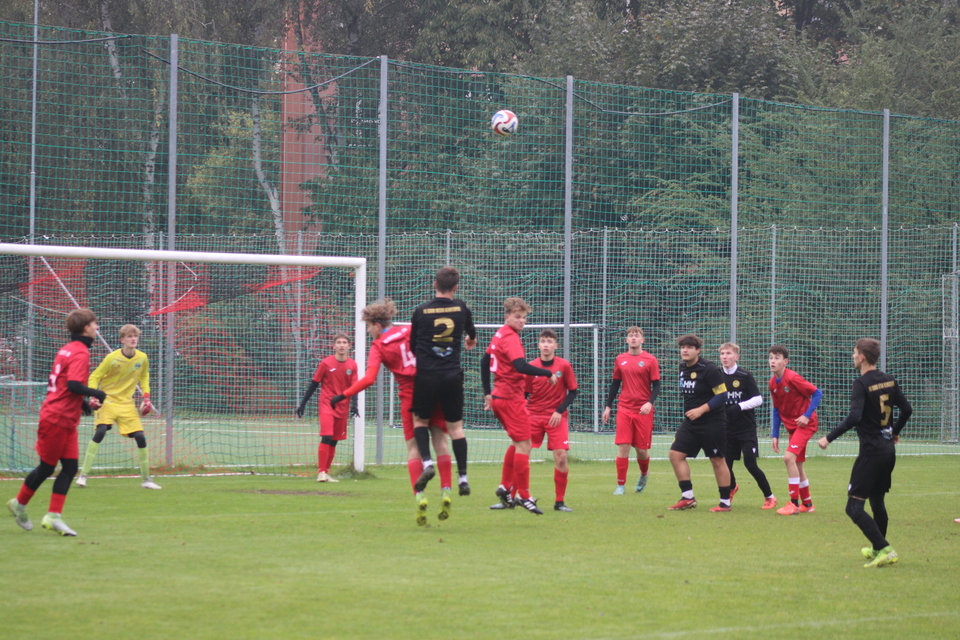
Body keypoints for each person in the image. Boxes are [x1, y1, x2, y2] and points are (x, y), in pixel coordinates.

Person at [329, 299, 452, 526]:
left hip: (411, 396)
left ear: (377, 325)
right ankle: (446, 490)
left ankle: (420, 496)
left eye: (369, 327)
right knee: (441, 441)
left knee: (414, 448)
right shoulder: (410, 329)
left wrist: (343, 395)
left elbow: (369, 379)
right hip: (434, 388)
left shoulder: (379, 346)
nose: (368, 331)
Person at [7, 308, 106, 536]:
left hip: (66, 419)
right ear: (86, 328)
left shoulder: (66, 349)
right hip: (56, 419)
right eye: (94, 323)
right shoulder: (80, 352)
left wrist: (82, 404)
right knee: (47, 467)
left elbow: (63, 385)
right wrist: (98, 394)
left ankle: (53, 516)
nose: (97, 327)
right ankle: (19, 503)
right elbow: (73, 385)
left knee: (70, 468)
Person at [817, 338, 912, 568]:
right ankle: (878, 549)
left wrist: (828, 438)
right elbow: (907, 409)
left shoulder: (861, 383)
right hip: (887, 450)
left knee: (853, 507)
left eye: (854, 353)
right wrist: (895, 432)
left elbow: (854, 417)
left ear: (861, 357)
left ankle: (885, 548)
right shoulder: (889, 379)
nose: (852, 356)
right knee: (877, 502)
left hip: (871, 451)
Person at [482, 297, 559, 515]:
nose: (522, 321)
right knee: (525, 445)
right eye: (517, 317)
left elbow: (484, 361)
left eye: (524, 317)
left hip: (499, 397)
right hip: (510, 399)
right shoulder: (510, 337)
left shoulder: (499, 334)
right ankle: (524, 495)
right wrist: (547, 373)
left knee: (518, 443)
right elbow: (520, 365)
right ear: (507, 317)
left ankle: (505, 486)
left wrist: (487, 392)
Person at [408, 267, 477, 504]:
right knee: (455, 429)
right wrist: (470, 340)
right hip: (452, 375)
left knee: (420, 421)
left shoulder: (421, 310)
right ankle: (463, 478)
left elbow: (412, 345)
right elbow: (471, 333)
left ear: (434, 284)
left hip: (427, 375)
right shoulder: (461, 308)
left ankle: (428, 463)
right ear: (456, 287)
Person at [490, 329, 577, 512]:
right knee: (519, 453)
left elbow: (573, 392)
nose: (546, 345)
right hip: (533, 416)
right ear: (538, 345)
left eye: (549, 341)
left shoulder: (564, 366)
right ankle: (509, 498)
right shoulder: (531, 367)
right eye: (543, 341)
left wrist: (559, 411)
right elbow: (524, 394)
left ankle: (559, 502)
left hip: (556, 418)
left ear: (556, 345)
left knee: (561, 458)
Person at [76, 324, 161, 490]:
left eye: (135, 336)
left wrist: (146, 398)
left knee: (140, 437)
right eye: (129, 336)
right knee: (100, 431)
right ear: (122, 340)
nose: (133, 339)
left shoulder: (142, 358)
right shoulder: (112, 358)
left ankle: (146, 480)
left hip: (126, 404)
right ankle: (83, 475)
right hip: (107, 401)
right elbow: (94, 376)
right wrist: (93, 396)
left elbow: (144, 377)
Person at [667, 334, 733, 512]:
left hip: (712, 422)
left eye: (689, 347)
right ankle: (688, 497)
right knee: (675, 454)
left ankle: (725, 502)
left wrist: (701, 409)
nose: (685, 350)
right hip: (691, 423)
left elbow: (722, 395)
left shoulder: (709, 369)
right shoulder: (683, 367)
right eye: (683, 347)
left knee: (717, 460)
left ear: (698, 350)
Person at [602, 326, 660, 495]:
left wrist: (649, 403)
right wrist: (608, 406)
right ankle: (620, 485)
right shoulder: (620, 359)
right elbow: (615, 384)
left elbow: (656, 385)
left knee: (641, 450)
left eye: (637, 336)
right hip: (624, 409)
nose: (633, 338)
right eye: (631, 336)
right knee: (623, 446)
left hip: (643, 411)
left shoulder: (650, 360)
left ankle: (644, 473)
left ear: (642, 340)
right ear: (626, 340)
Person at [718, 342, 776, 509]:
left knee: (750, 464)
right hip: (726, 428)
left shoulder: (745, 375)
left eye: (728, 354)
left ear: (736, 357)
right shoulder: (717, 375)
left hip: (746, 429)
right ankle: (731, 488)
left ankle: (770, 497)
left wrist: (739, 406)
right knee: (725, 464)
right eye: (722, 354)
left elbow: (758, 399)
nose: (725, 357)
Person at [768, 344, 823, 515]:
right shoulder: (772, 383)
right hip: (793, 427)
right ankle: (808, 504)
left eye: (777, 358)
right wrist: (775, 434)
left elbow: (817, 393)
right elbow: (776, 409)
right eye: (771, 358)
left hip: (806, 424)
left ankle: (793, 503)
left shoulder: (793, 378)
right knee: (797, 464)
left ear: (785, 361)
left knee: (788, 458)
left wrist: (806, 415)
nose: (772, 361)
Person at [296, 333, 358, 482]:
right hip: (327, 404)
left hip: (343, 407)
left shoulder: (352, 365)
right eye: (339, 342)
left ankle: (326, 472)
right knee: (327, 435)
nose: (342, 345)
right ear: (334, 346)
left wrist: (355, 405)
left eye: (344, 342)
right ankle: (321, 472)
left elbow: (354, 387)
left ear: (349, 346)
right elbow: (314, 383)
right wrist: (303, 403)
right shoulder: (326, 363)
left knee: (334, 440)